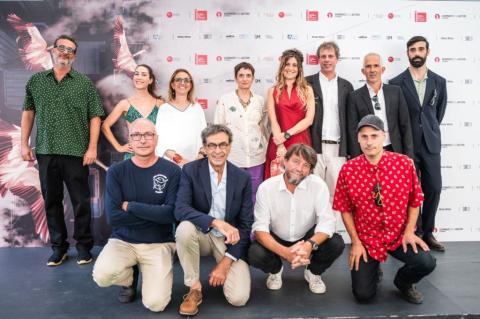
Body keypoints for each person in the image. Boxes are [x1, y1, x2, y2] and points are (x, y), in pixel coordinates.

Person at [20, 34, 105, 266]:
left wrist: (92, 148)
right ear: (52, 50)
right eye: (61, 48)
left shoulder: (84, 83)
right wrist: (23, 143)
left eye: (70, 50)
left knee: (81, 202)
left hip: (77, 152)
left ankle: (84, 247)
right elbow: (28, 113)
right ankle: (59, 248)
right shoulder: (36, 81)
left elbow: (95, 117)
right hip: (46, 151)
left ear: (75, 56)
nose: (65, 52)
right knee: (51, 201)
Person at [333, 114, 436, 304]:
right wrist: (355, 242)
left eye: (374, 136)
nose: (369, 142)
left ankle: (403, 282)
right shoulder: (348, 170)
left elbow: (415, 200)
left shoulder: (404, 164)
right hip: (367, 239)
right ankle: (373, 270)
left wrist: (409, 232)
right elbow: (344, 208)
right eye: (364, 136)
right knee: (363, 295)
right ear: (358, 138)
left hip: (398, 236)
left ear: (384, 136)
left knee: (426, 262)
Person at [92, 118, 180, 312]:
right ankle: (130, 278)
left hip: (158, 242)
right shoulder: (117, 171)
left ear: (156, 139)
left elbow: (171, 214)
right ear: (129, 141)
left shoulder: (172, 171)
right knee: (102, 275)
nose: (142, 140)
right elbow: (113, 218)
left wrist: (131, 206)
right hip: (123, 241)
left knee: (156, 304)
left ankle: (153, 273)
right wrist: (155, 213)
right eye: (136, 135)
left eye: (148, 135)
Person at [174, 124, 253, 316]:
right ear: (205, 147)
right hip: (199, 234)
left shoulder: (242, 177)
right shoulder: (190, 171)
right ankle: (194, 289)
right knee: (184, 228)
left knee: (239, 299)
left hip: (227, 241)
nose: (218, 151)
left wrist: (225, 264)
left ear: (229, 146)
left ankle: (226, 266)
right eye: (212, 145)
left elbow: (245, 225)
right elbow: (180, 209)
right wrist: (216, 222)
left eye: (222, 145)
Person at [249, 144, 344, 294]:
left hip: (306, 236)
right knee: (255, 253)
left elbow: (327, 222)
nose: (300, 168)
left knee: (336, 243)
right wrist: (285, 252)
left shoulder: (318, 185)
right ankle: (275, 270)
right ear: (285, 161)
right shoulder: (266, 187)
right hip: (277, 236)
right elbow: (260, 228)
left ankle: (313, 272)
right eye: (296, 161)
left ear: (310, 170)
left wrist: (308, 245)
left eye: (306, 165)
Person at [390, 36, 448, 252]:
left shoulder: (439, 82)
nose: (416, 53)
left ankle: (429, 232)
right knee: (411, 192)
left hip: (431, 144)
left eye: (420, 49)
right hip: (408, 145)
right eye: (412, 50)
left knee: (434, 187)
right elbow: (395, 116)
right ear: (407, 53)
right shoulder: (396, 82)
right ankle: (416, 231)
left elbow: (437, 112)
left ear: (427, 51)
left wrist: (429, 131)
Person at [305, 41, 354, 213]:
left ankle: (330, 233)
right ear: (318, 59)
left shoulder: (346, 86)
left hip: (338, 149)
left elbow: (350, 120)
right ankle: (313, 234)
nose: (327, 60)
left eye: (330, 56)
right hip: (314, 147)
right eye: (323, 56)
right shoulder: (307, 83)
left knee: (335, 195)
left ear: (337, 59)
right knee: (312, 192)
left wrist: (350, 151)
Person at [214, 62, 268, 202]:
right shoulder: (225, 100)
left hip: (256, 156)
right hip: (234, 156)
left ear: (253, 78)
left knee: (255, 193)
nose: (245, 79)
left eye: (248, 75)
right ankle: (234, 223)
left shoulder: (260, 101)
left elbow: (264, 127)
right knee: (234, 194)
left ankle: (252, 223)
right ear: (235, 78)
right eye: (241, 75)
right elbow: (218, 129)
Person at [347, 53, 413, 159]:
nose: (372, 70)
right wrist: (357, 159)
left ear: (382, 69)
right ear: (363, 71)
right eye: (368, 66)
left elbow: (405, 126)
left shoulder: (396, 92)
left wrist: (409, 157)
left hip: (394, 150)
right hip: (367, 153)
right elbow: (352, 131)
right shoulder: (354, 97)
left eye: (376, 65)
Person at [264, 49, 315, 179]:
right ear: (282, 66)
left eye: (294, 65)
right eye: (287, 64)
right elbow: (273, 121)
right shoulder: (272, 91)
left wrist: (286, 135)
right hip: (278, 144)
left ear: (299, 69)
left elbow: (309, 120)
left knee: (300, 182)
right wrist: (280, 145)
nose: (290, 68)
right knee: (276, 185)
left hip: (300, 142)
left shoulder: (307, 90)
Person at [101, 64, 162, 159]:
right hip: (133, 156)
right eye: (136, 74)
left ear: (150, 80)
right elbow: (105, 126)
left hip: (156, 153)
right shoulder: (125, 103)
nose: (139, 77)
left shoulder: (160, 103)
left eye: (143, 74)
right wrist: (119, 147)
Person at [155, 69, 207, 165]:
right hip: (171, 164)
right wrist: (180, 161)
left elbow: (205, 136)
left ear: (190, 85)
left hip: (195, 164)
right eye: (178, 80)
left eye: (187, 80)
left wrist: (199, 157)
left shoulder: (197, 108)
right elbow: (160, 141)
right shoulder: (164, 108)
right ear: (172, 85)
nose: (182, 83)